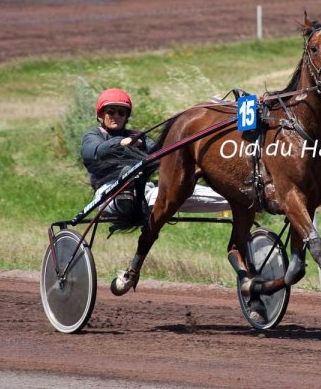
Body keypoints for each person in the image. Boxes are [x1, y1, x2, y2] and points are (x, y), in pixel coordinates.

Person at [81, 88, 229, 294]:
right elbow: (92, 152)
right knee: (128, 175)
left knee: (178, 193)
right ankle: (127, 196)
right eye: (111, 112)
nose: (115, 116)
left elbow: (166, 156)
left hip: (145, 193)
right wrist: (121, 143)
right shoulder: (93, 135)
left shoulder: (138, 137)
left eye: (120, 113)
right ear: (101, 114)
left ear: (126, 116)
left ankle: (239, 197)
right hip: (108, 195)